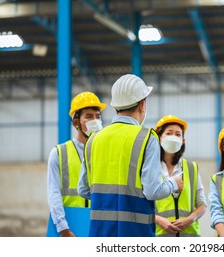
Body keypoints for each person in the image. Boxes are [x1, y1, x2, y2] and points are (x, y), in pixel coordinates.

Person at [77, 74, 183, 237]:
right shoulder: (147, 138)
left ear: (116, 106)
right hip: (136, 234)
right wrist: (173, 183)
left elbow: (83, 189)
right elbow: (152, 191)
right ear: (142, 105)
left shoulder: (93, 139)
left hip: (100, 233)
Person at [47, 91, 106, 237]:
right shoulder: (59, 153)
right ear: (76, 123)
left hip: (98, 224)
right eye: (89, 116)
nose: (95, 121)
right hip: (70, 224)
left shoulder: (106, 153)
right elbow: (53, 194)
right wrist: (63, 228)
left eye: (98, 116)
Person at [154, 115, 207, 237]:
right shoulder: (149, 169)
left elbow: (202, 204)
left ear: (183, 140)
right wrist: (159, 220)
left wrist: (189, 220)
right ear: (159, 138)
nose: (173, 137)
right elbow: (141, 206)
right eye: (169, 133)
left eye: (178, 134)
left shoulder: (192, 167)